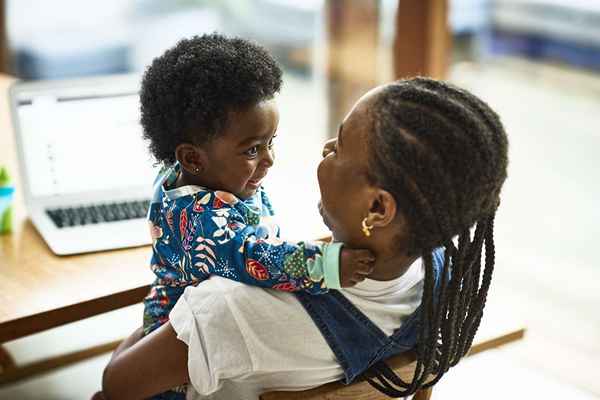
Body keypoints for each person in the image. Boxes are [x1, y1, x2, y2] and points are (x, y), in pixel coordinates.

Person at [97, 77, 508, 400]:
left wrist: (167, 301)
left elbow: (119, 385)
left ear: (378, 209)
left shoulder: (226, 310)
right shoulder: (448, 278)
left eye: (341, 145)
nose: (327, 146)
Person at [138, 34, 374, 399]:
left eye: (271, 142)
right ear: (193, 158)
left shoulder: (200, 174)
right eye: (252, 149)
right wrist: (325, 265)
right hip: (176, 343)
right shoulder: (201, 222)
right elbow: (255, 258)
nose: (269, 159)